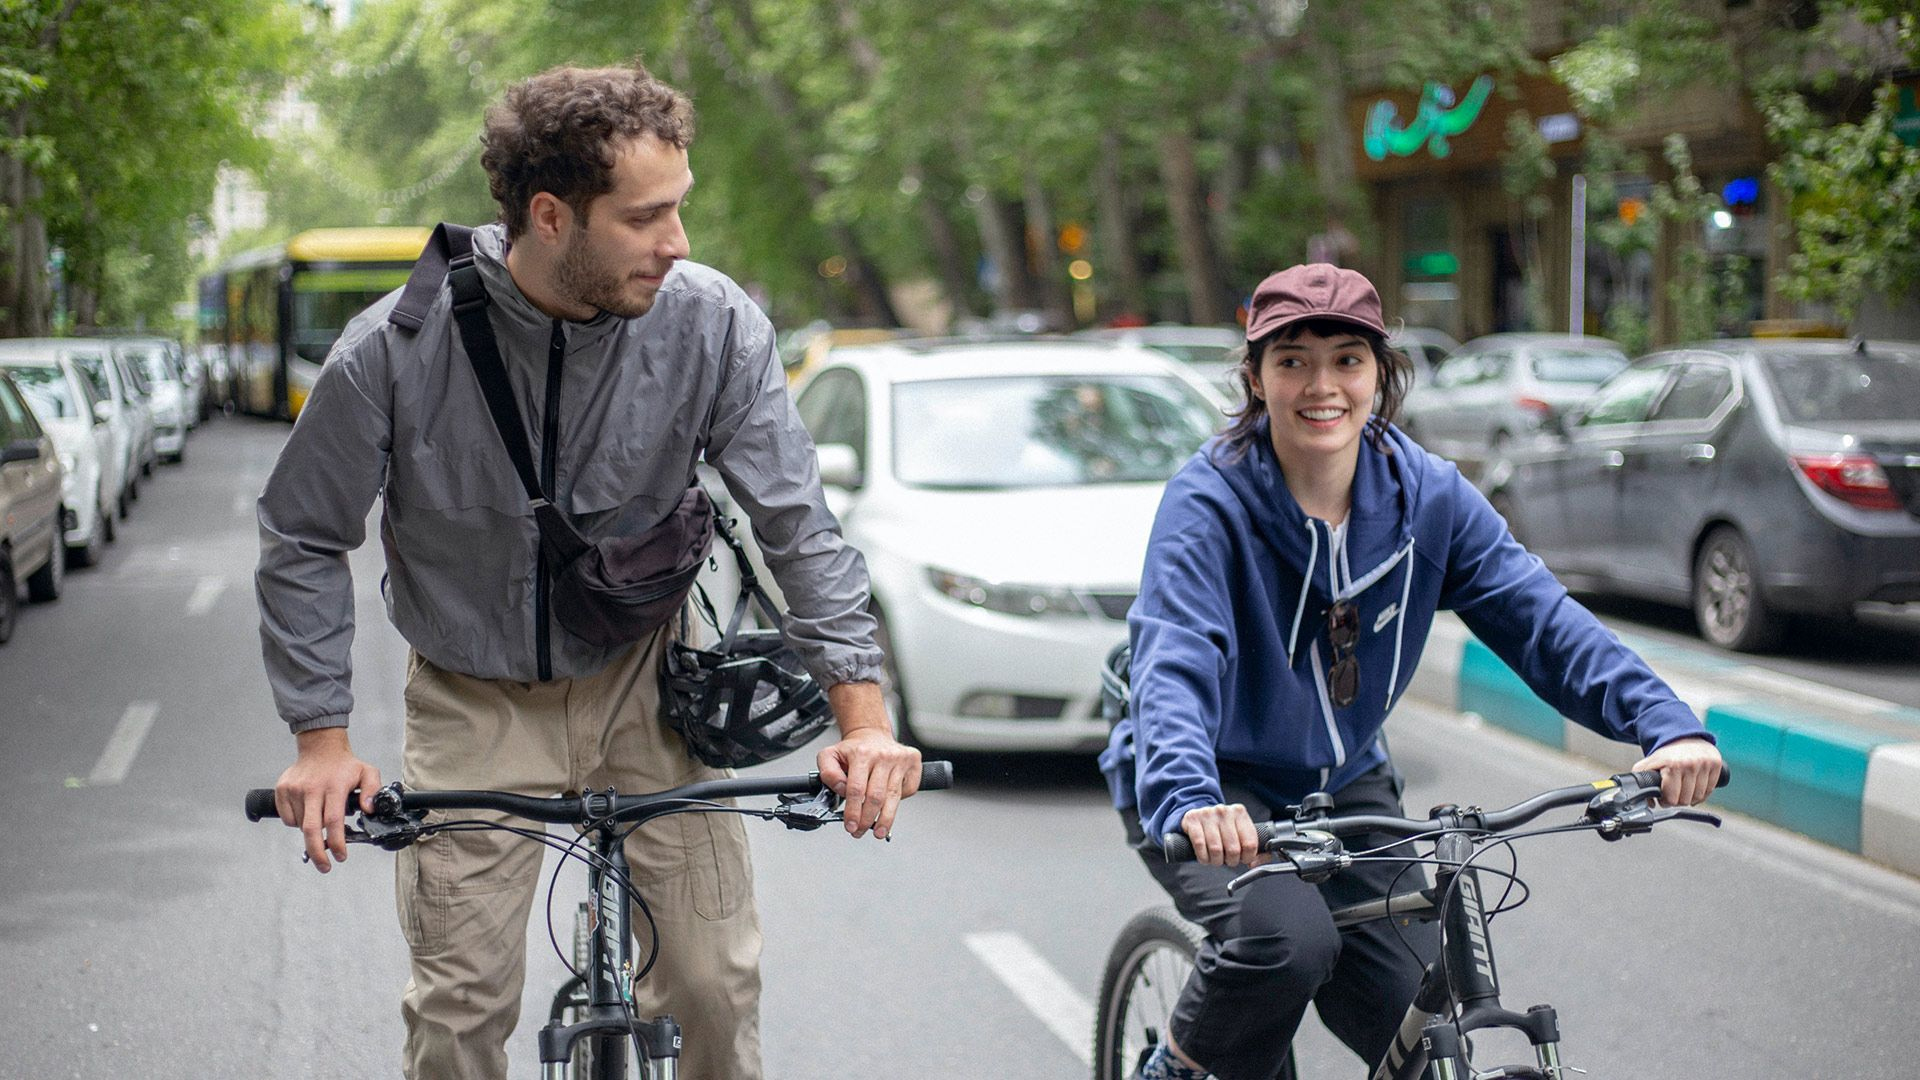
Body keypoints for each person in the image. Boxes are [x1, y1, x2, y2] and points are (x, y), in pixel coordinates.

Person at [258, 62, 922, 1080]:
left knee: (709, 985)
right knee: (459, 1009)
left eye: (682, 209)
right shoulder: (391, 350)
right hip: (474, 693)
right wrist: (322, 740)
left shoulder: (714, 324)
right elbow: (305, 534)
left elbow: (799, 525)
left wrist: (865, 722)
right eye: (647, 216)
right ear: (551, 216)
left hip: (649, 681)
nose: (680, 243)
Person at [1099, 263, 1723, 1080]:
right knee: (1291, 943)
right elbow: (1175, 656)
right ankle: (1176, 1067)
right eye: (1292, 360)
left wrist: (1665, 724)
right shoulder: (1209, 500)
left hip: (1347, 785)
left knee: (1425, 1027)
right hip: (1216, 783)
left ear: (1381, 376)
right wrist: (1189, 797)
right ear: (1256, 378)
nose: (1322, 385)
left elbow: (1539, 618)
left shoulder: (1427, 498)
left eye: (1347, 360)